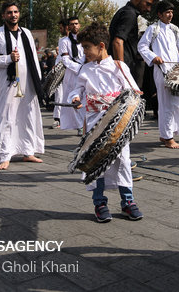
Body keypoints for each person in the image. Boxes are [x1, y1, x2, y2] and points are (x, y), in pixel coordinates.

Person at [68, 22, 143, 222]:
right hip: (94, 123)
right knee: (95, 163)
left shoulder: (119, 66)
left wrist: (133, 98)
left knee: (123, 161)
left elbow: (133, 92)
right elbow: (77, 90)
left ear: (101, 46)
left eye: (86, 47)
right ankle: (99, 203)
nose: (84, 52)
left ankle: (128, 201)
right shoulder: (85, 69)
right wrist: (75, 98)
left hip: (118, 125)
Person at [0, 2, 44, 170]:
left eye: (16, 12)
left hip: (28, 83)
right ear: (3, 15)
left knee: (28, 115)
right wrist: (8, 58)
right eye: (9, 12)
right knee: (6, 117)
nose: (13, 15)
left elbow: (33, 58)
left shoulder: (25, 33)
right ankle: (5, 155)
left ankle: (28, 151)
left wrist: (38, 82)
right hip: (7, 83)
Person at [138, 0, 179, 149]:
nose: (170, 15)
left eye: (172, 12)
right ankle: (168, 138)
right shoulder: (152, 29)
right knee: (166, 103)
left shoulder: (174, 29)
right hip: (161, 71)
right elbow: (141, 46)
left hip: (177, 71)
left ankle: (166, 133)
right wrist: (154, 57)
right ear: (159, 14)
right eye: (167, 12)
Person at [109, 0, 158, 88]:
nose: (149, 9)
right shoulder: (129, 14)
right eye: (147, 4)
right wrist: (122, 72)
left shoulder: (125, 11)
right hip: (122, 71)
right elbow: (117, 42)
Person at [58, 16, 86, 135]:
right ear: (68, 27)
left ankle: (85, 124)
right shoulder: (64, 41)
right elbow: (65, 59)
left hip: (84, 71)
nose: (75, 26)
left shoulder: (84, 39)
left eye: (76, 23)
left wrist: (84, 66)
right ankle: (79, 125)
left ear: (79, 25)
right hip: (72, 73)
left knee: (85, 98)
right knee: (73, 99)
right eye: (72, 24)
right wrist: (78, 67)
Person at [52, 20, 69, 129]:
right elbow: (60, 56)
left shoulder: (77, 40)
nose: (60, 30)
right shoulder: (62, 40)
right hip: (61, 70)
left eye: (61, 27)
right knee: (59, 94)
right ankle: (57, 118)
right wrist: (56, 66)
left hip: (72, 70)